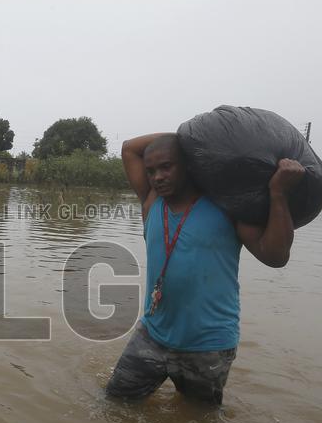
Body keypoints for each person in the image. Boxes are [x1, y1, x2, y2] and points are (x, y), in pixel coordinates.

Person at [107, 132, 306, 405]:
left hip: (208, 345)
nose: (158, 177)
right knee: (115, 405)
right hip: (152, 335)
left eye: (167, 166)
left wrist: (278, 194)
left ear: (189, 165)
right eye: (151, 171)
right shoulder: (151, 202)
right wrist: (191, 135)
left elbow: (275, 256)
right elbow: (130, 148)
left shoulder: (227, 208)